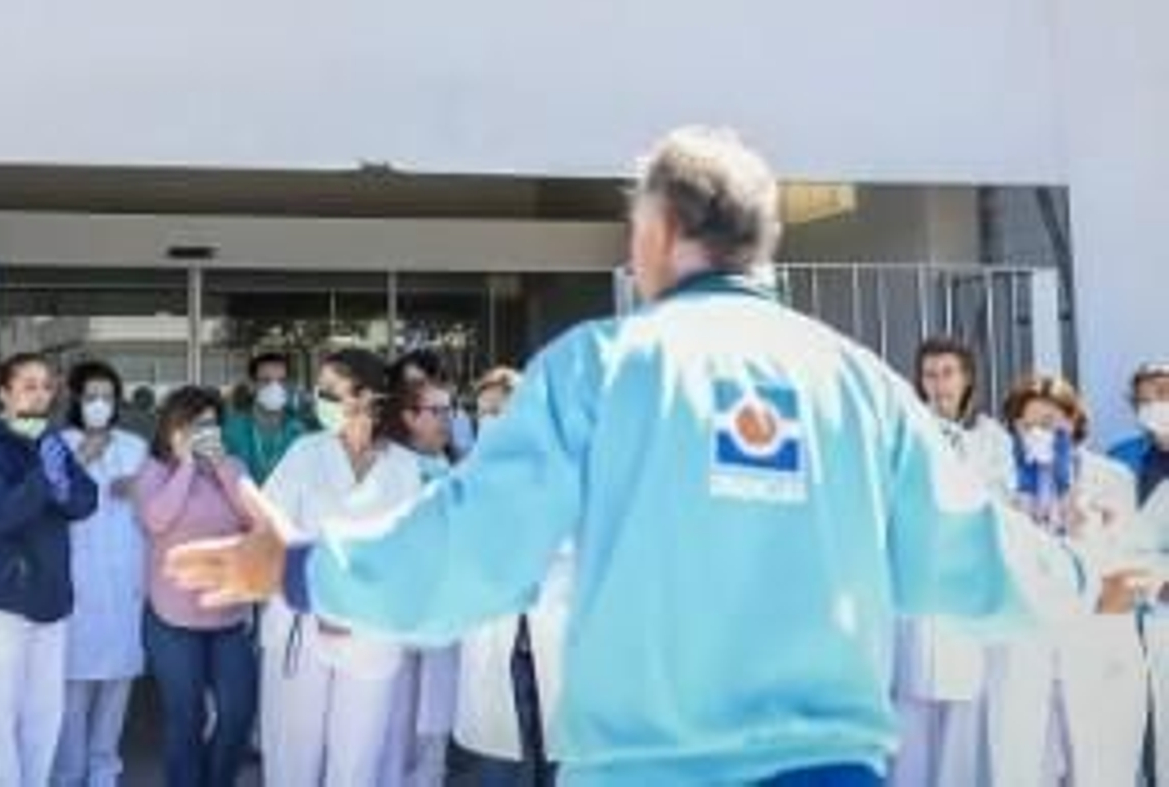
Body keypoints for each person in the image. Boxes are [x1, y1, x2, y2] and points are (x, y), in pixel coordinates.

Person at [167, 126, 1138, 786]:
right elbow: (962, 551)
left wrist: (295, 568)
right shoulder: (856, 383)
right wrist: (1084, 580)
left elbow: (471, 551)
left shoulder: (602, 368)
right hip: (827, 763)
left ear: (662, 232)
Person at [257, 348, 421, 786]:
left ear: (367, 396)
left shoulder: (403, 466)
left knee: (358, 759)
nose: (321, 398)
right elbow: (269, 530)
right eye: (320, 389)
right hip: (302, 623)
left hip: (369, 630)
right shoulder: (305, 452)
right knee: (294, 755)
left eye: (332, 390)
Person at [981, 374, 1148, 787]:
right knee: (1024, 765)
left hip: (1095, 645)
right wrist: (1024, 505)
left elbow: (1122, 564)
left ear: (1073, 423)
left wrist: (1078, 512)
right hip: (1026, 647)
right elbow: (1001, 561)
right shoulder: (998, 484)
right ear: (1014, 429)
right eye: (1028, 425)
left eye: (1051, 424)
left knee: (1101, 767)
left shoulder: (1111, 479)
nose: (1040, 434)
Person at [0, 353, 99, 787]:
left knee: (44, 713)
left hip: (51, 596)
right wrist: (44, 479)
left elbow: (85, 501)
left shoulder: (53, 441)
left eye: (45, 386)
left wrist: (57, 479)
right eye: (28, 385)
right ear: (4, 393)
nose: (40, 394)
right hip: (4, 598)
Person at [887, 338, 1010, 787]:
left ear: (967, 378)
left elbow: (1001, 504)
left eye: (947, 373)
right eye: (930, 374)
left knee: (966, 723)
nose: (938, 384)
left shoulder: (992, 439)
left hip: (968, 596)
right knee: (912, 719)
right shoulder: (905, 429)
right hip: (917, 596)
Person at [134, 386, 257, 787]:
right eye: (194, 424)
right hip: (173, 619)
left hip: (229, 615)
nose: (204, 431)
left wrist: (221, 466)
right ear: (172, 427)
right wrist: (186, 465)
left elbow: (254, 520)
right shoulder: (153, 470)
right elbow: (156, 521)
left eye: (210, 423)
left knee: (238, 712)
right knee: (186, 717)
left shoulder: (233, 466)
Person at [454, 365, 567, 787]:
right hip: (496, 643)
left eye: (502, 412)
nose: (492, 421)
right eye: (484, 413)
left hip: (555, 640)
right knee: (501, 770)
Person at [53, 360, 150, 787]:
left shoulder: (134, 445)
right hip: (75, 584)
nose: (99, 404)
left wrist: (141, 491)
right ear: (75, 399)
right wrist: (79, 460)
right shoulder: (57, 442)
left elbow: (158, 506)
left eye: (107, 396)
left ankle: (103, 772)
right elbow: (46, 500)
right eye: (91, 396)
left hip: (124, 582)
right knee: (72, 692)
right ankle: (68, 774)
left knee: (116, 688)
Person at [380, 376, 462, 787]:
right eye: (437, 411)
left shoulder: (451, 465)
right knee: (396, 731)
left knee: (434, 733)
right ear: (409, 417)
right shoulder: (391, 468)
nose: (448, 419)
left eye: (451, 409)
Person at [1110, 361, 1169, 786]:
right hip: (1127, 609)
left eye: (1162, 394)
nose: (1154, 405)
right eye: (1144, 399)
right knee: (1126, 721)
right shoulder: (1119, 459)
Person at [224, 352, 312, 487]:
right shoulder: (231, 430)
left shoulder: (299, 433)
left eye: (282, 381)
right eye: (266, 381)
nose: (275, 387)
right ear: (252, 385)